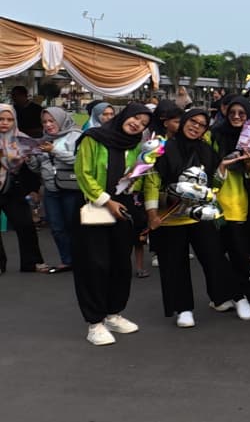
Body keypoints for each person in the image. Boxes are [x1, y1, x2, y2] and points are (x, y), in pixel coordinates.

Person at [145, 108, 249, 327]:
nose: (196, 127)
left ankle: (236, 296)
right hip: (170, 215)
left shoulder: (206, 151)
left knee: (214, 257)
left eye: (202, 125)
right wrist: (152, 213)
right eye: (193, 121)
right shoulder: (164, 149)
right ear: (184, 121)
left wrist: (222, 168)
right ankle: (183, 308)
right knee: (175, 263)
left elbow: (214, 186)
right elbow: (152, 182)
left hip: (199, 214)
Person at [72, 102, 151, 345]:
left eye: (144, 123)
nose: (137, 124)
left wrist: (133, 180)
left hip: (122, 209)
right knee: (95, 265)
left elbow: (137, 176)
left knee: (120, 263)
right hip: (95, 207)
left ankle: (113, 313)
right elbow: (83, 173)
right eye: (136, 118)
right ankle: (94, 322)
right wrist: (107, 201)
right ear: (124, 115)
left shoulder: (136, 145)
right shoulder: (93, 138)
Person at [209, 95, 250, 316]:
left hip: (240, 207)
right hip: (215, 205)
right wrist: (222, 166)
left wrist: (248, 164)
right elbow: (208, 168)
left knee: (242, 256)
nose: (236, 117)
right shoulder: (214, 136)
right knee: (216, 256)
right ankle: (225, 295)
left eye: (241, 113)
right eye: (232, 112)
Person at [28, 107, 82, 272]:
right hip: (50, 189)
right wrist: (30, 158)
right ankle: (67, 260)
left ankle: (80, 259)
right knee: (57, 227)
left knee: (73, 225)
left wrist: (54, 151)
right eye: (44, 122)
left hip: (70, 188)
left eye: (52, 121)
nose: (48, 125)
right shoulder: (43, 140)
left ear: (61, 120)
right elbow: (37, 168)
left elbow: (78, 160)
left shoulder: (76, 136)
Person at [1, 104, 44, 274]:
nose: (5, 123)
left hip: (15, 187)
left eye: (9, 119)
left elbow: (33, 169)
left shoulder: (23, 140)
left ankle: (31, 262)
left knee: (25, 224)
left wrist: (33, 189)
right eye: (1, 119)